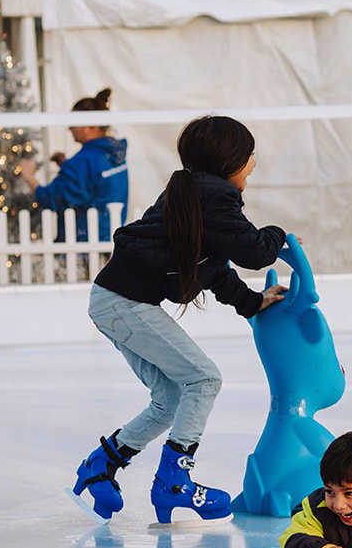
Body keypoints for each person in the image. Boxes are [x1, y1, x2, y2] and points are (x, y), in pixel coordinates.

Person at [71, 115, 289, 524]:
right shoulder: (215, 197)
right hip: (124, 303)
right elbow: (255, 253)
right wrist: (280, 234)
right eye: (249, 155)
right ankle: (175, 482)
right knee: (204, 379)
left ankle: (101, 464)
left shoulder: (193, 193)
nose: (254, 164)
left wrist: (251, 302)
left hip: (113, 300)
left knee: (170, 399)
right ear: (231, 161)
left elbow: (213, 267)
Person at [18, 87, 129, 242]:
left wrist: (29, 176)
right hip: (110, 240)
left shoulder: (82, 162)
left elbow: (52, 199)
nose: (70, 128)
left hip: (83, 248)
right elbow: (95, 184)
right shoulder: (115, 154)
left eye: (74, 123)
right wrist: (66, 166)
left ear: (92, 126)